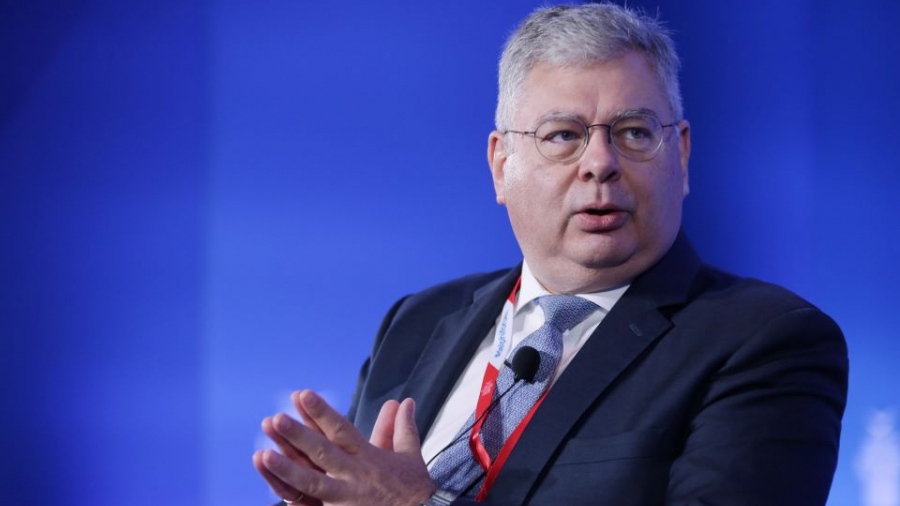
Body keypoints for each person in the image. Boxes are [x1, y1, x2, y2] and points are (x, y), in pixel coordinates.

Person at [252, 3, 848, 505]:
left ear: (682, 156)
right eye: (563, 135)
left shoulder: (765, 341)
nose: (600, 163)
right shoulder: (417, 321)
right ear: (501, 165)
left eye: (634, 132)